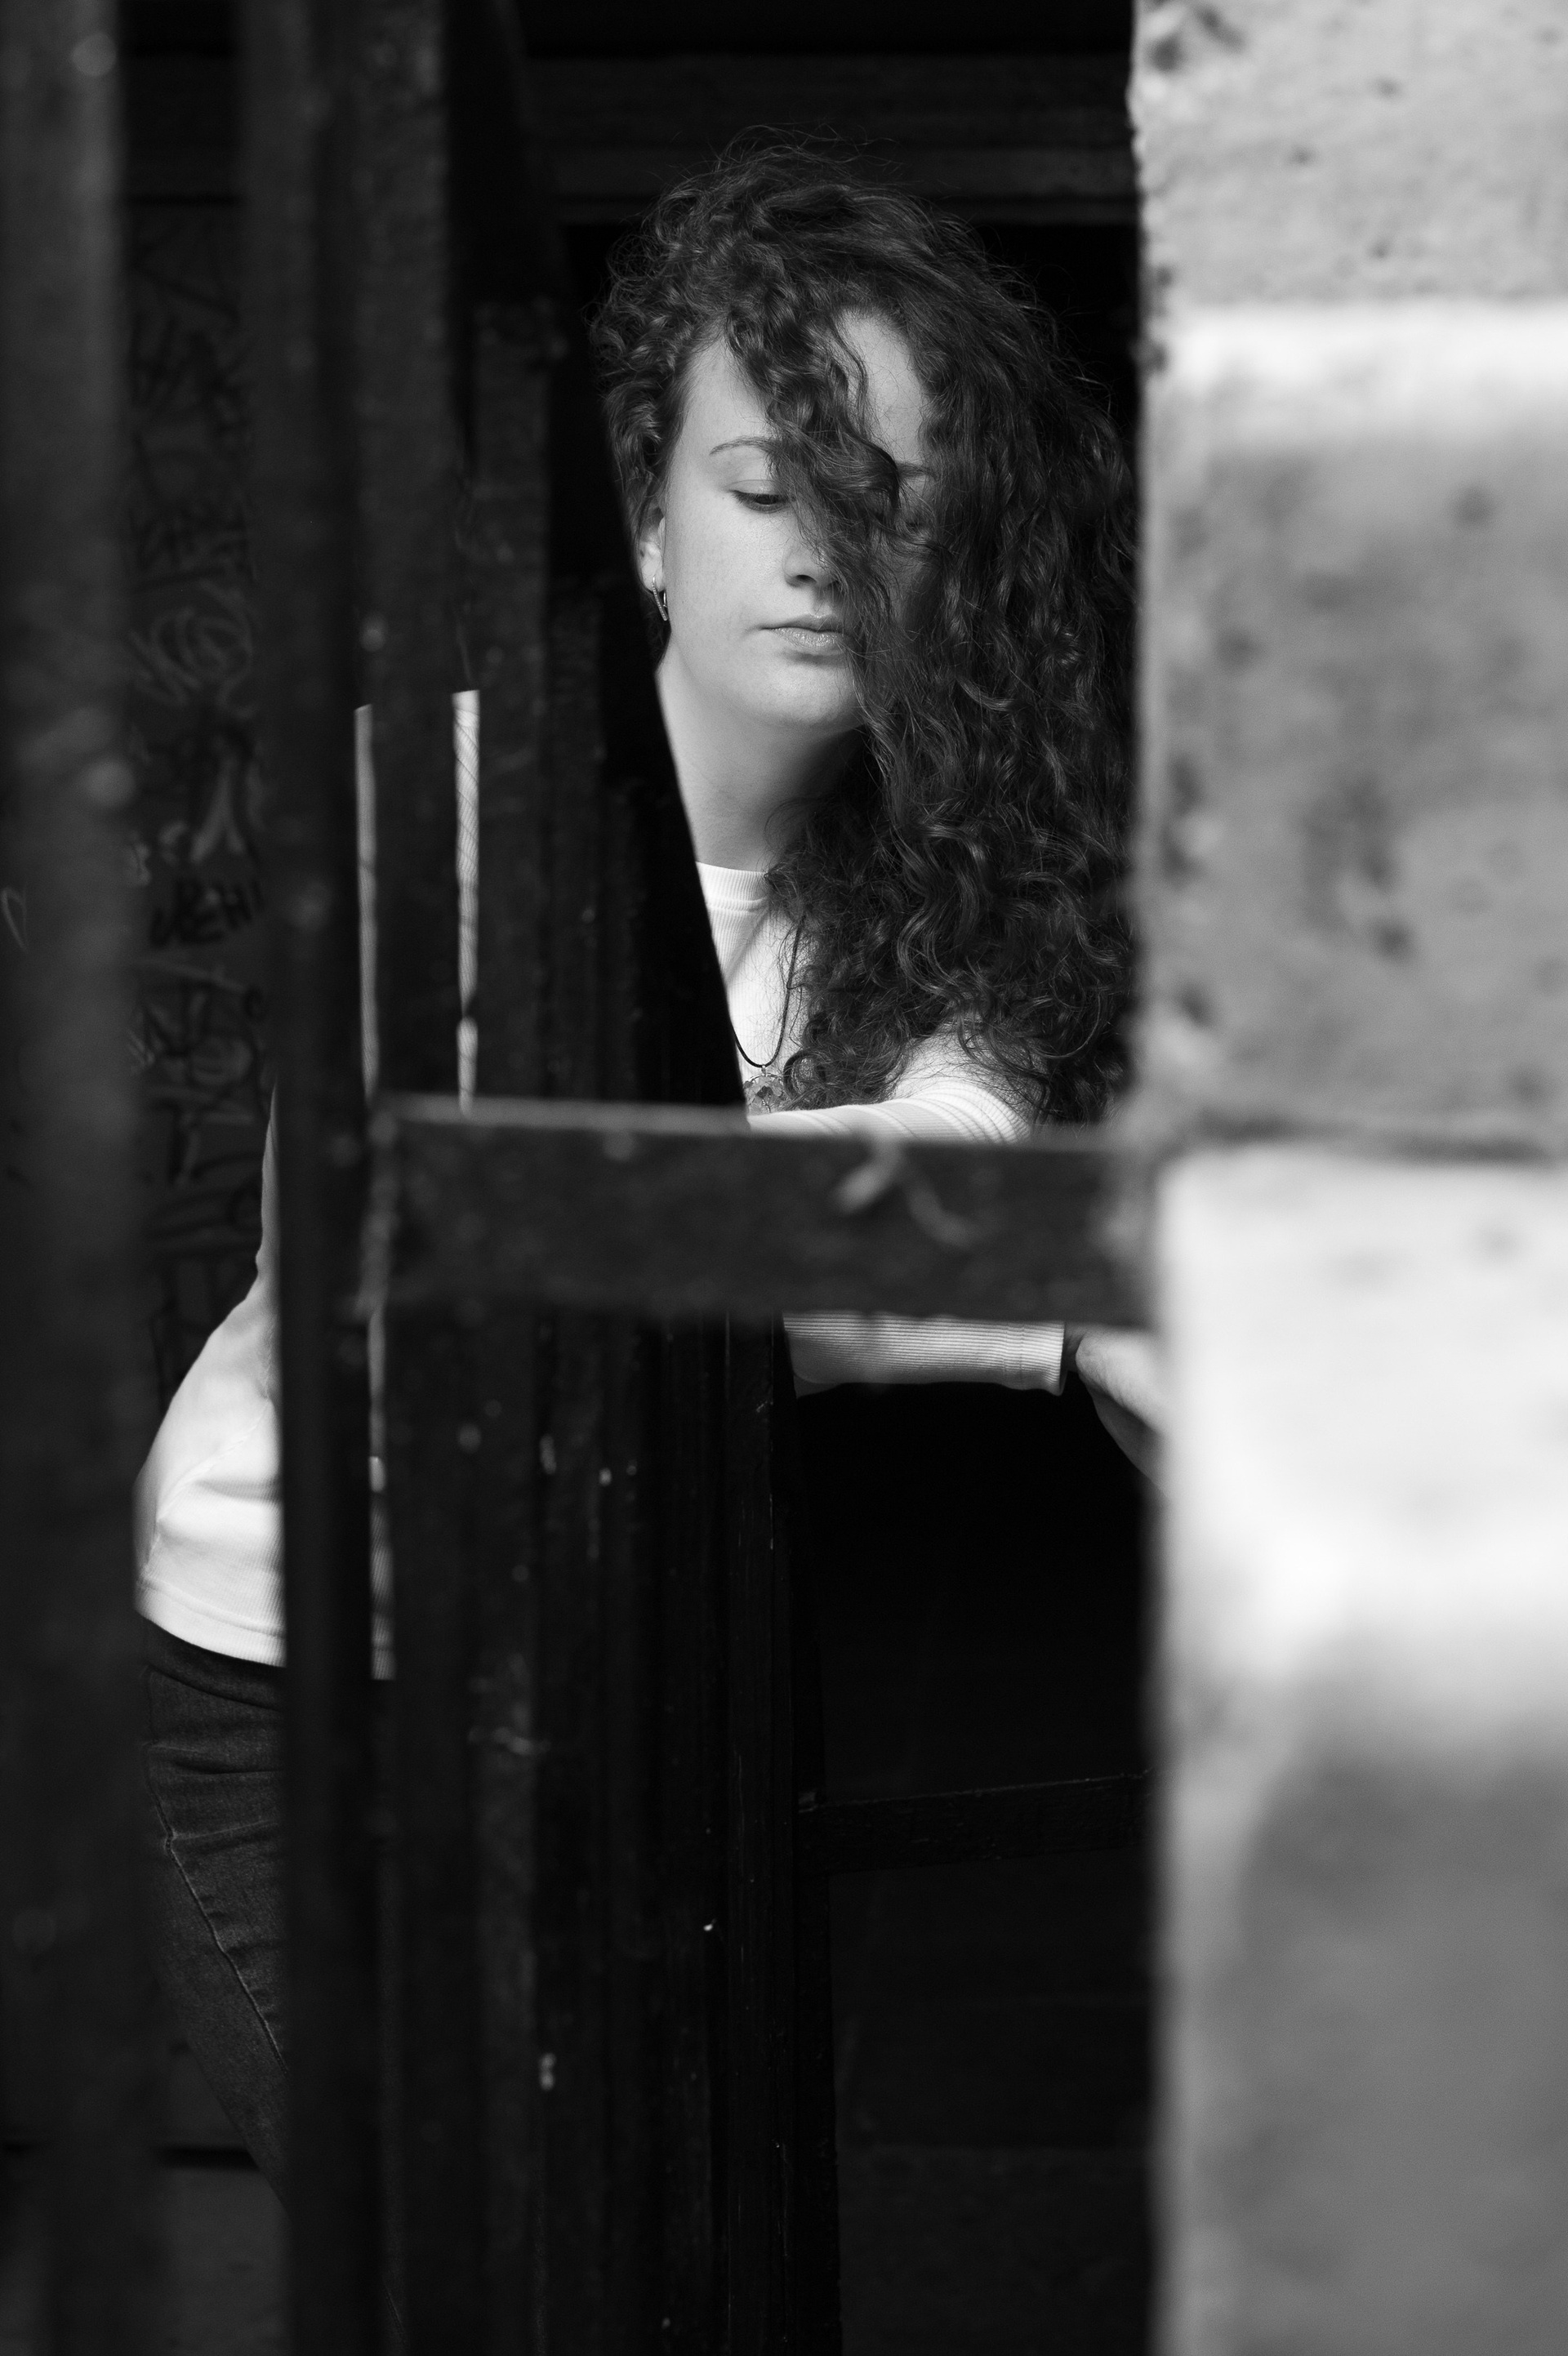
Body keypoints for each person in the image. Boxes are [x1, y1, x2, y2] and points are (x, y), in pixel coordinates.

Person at [136, 143, 1158, 2220]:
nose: (827, 557)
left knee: (651, 2249)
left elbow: (951, 1179)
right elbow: (476, 1251)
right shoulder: (437, 797)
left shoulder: (950, 881)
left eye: (895, 507)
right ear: (645, 525)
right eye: (769, 489)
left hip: (625, 1673)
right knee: (452, 2257)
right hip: (298, 1685)